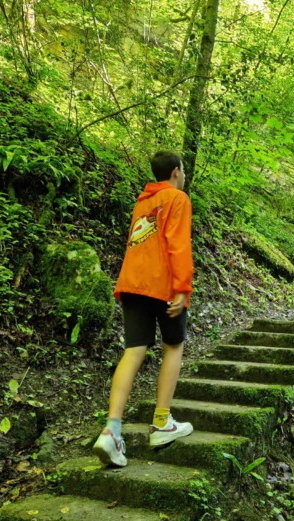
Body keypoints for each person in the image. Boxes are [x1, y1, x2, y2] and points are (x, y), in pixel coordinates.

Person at [93, 151, 194, 468]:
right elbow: (177, 244)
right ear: (176, 172)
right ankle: (162, 422)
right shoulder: (177, 198)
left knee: (133, 351)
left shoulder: (142, 203)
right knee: (174, 346)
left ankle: (112, 430)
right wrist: (182, 288)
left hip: (132, 283)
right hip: (161, 284)